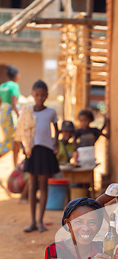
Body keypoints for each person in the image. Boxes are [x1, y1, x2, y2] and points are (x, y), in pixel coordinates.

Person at [23, 80, 59, 233]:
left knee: (43, 185)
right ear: (32, 95)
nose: (40, 97)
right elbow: (22, 130)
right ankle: (32, 222)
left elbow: (57, 129)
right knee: (32, 186)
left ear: (47, 96)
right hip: (32, 150)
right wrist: (23, 147)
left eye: (43, 95)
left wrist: (56, 143)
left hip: (45, 151)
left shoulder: (51, 112)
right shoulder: (27, 111)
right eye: (37, 95)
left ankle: (40, 221)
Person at [0, 65, 21, 166]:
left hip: (3, 112)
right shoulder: (14, 86)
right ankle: (15, 164)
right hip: (10, 114)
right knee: (12, 140)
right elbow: (13, 104)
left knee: (12, 139)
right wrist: (19, 116)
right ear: (16, 75)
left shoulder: (2, 86)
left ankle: (15, 165)